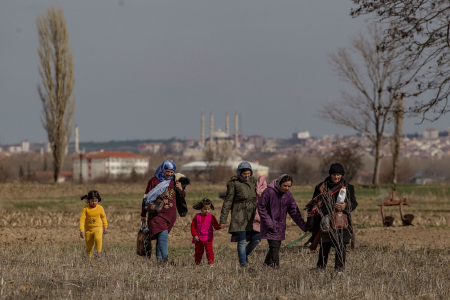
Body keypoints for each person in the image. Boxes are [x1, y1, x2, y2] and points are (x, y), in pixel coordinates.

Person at [308, 163, 358, 272]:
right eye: (334, 174)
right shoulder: (321, 187)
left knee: (341, 247)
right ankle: (320, 269)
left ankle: (339, 271)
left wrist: (345, 206)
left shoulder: (348, 187)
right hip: (325, 222)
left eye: (338, 174)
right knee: (324, 246)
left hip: (342, 222)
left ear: (341, 175)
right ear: (330, 174)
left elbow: (354, 203)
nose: (336, 177)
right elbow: (313, 205)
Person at [140, 160, 185, 263]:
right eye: (167, 171)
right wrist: (143, 214)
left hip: (170, 215)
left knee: (161, 237)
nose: (169, 174)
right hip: (156, 214)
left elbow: (181, 197)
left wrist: (181, 189)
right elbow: (146, 198)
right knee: (163, 234)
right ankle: (165, 259)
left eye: (171, 172)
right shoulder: (153, 181)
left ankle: (160, 262)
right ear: (163, 169)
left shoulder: (175, 181)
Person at [258, 174, 306, 268]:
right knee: (274, 246)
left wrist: (303, 226)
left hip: (280, 226)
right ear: (279, 183)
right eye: (285, 186)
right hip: (269, 225)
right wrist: (269, 223)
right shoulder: (269, 192)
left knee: (276, 246)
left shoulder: (288, 195)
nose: (287, 188)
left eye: (289, 186)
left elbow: (294, 212)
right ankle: (275, 268)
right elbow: (261, 207)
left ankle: (266, 264)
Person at [219, 162, 260, 267]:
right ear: (239, 173)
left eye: (248, 173)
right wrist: (223, 220)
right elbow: (227, 202)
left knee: (257, 239)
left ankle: (244, 254)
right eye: (244, 174)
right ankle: (243, 264)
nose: (247, 176)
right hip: (239, 215)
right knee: (242, 240)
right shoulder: (233, 184)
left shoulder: (254, 181)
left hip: (252, 215)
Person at [191, 198, 221, 265]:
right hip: (198, 239)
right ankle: (197, 264)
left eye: (208, 209)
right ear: (201, 208)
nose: (207, 211)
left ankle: (211, 264)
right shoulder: (197, 217)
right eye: (205, 209)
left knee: (209, 252)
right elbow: (192, 226)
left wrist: (220, 226)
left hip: (208, 238)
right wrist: (194, 235)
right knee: (198, 252)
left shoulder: (211, 217)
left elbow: (215, 226)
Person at [79, 190, 108, 257]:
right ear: (88, 200)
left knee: (98, 239)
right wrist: (81, 230)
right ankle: (89, 258)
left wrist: (105, 226)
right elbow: (82, 219)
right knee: (89, 245)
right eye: (92, 201)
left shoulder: (100, 208)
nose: (94, 202)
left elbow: (103, 217)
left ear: (98, 199)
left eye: (96, 201)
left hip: (98, 227)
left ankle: (98, 253)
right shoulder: (85, 208)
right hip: (88, 230)